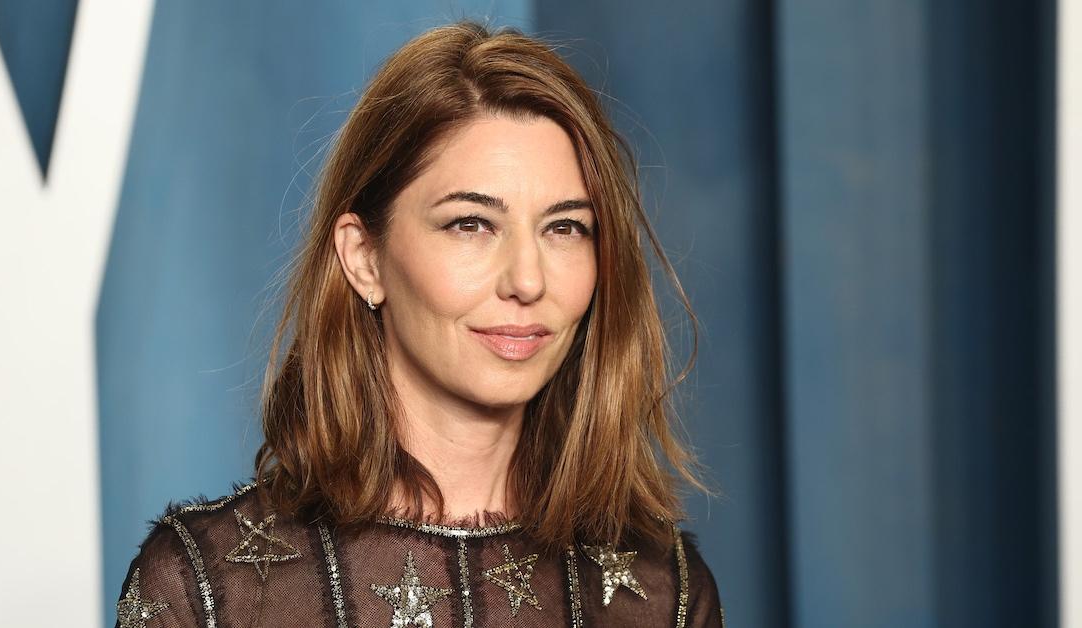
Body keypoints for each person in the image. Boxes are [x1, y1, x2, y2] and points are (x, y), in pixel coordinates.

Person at [114, 20, 723, 628]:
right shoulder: (203, 586)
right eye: (471, 224)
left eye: (564, 227)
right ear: (364, 258)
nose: (528, 280)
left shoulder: (663, 591)